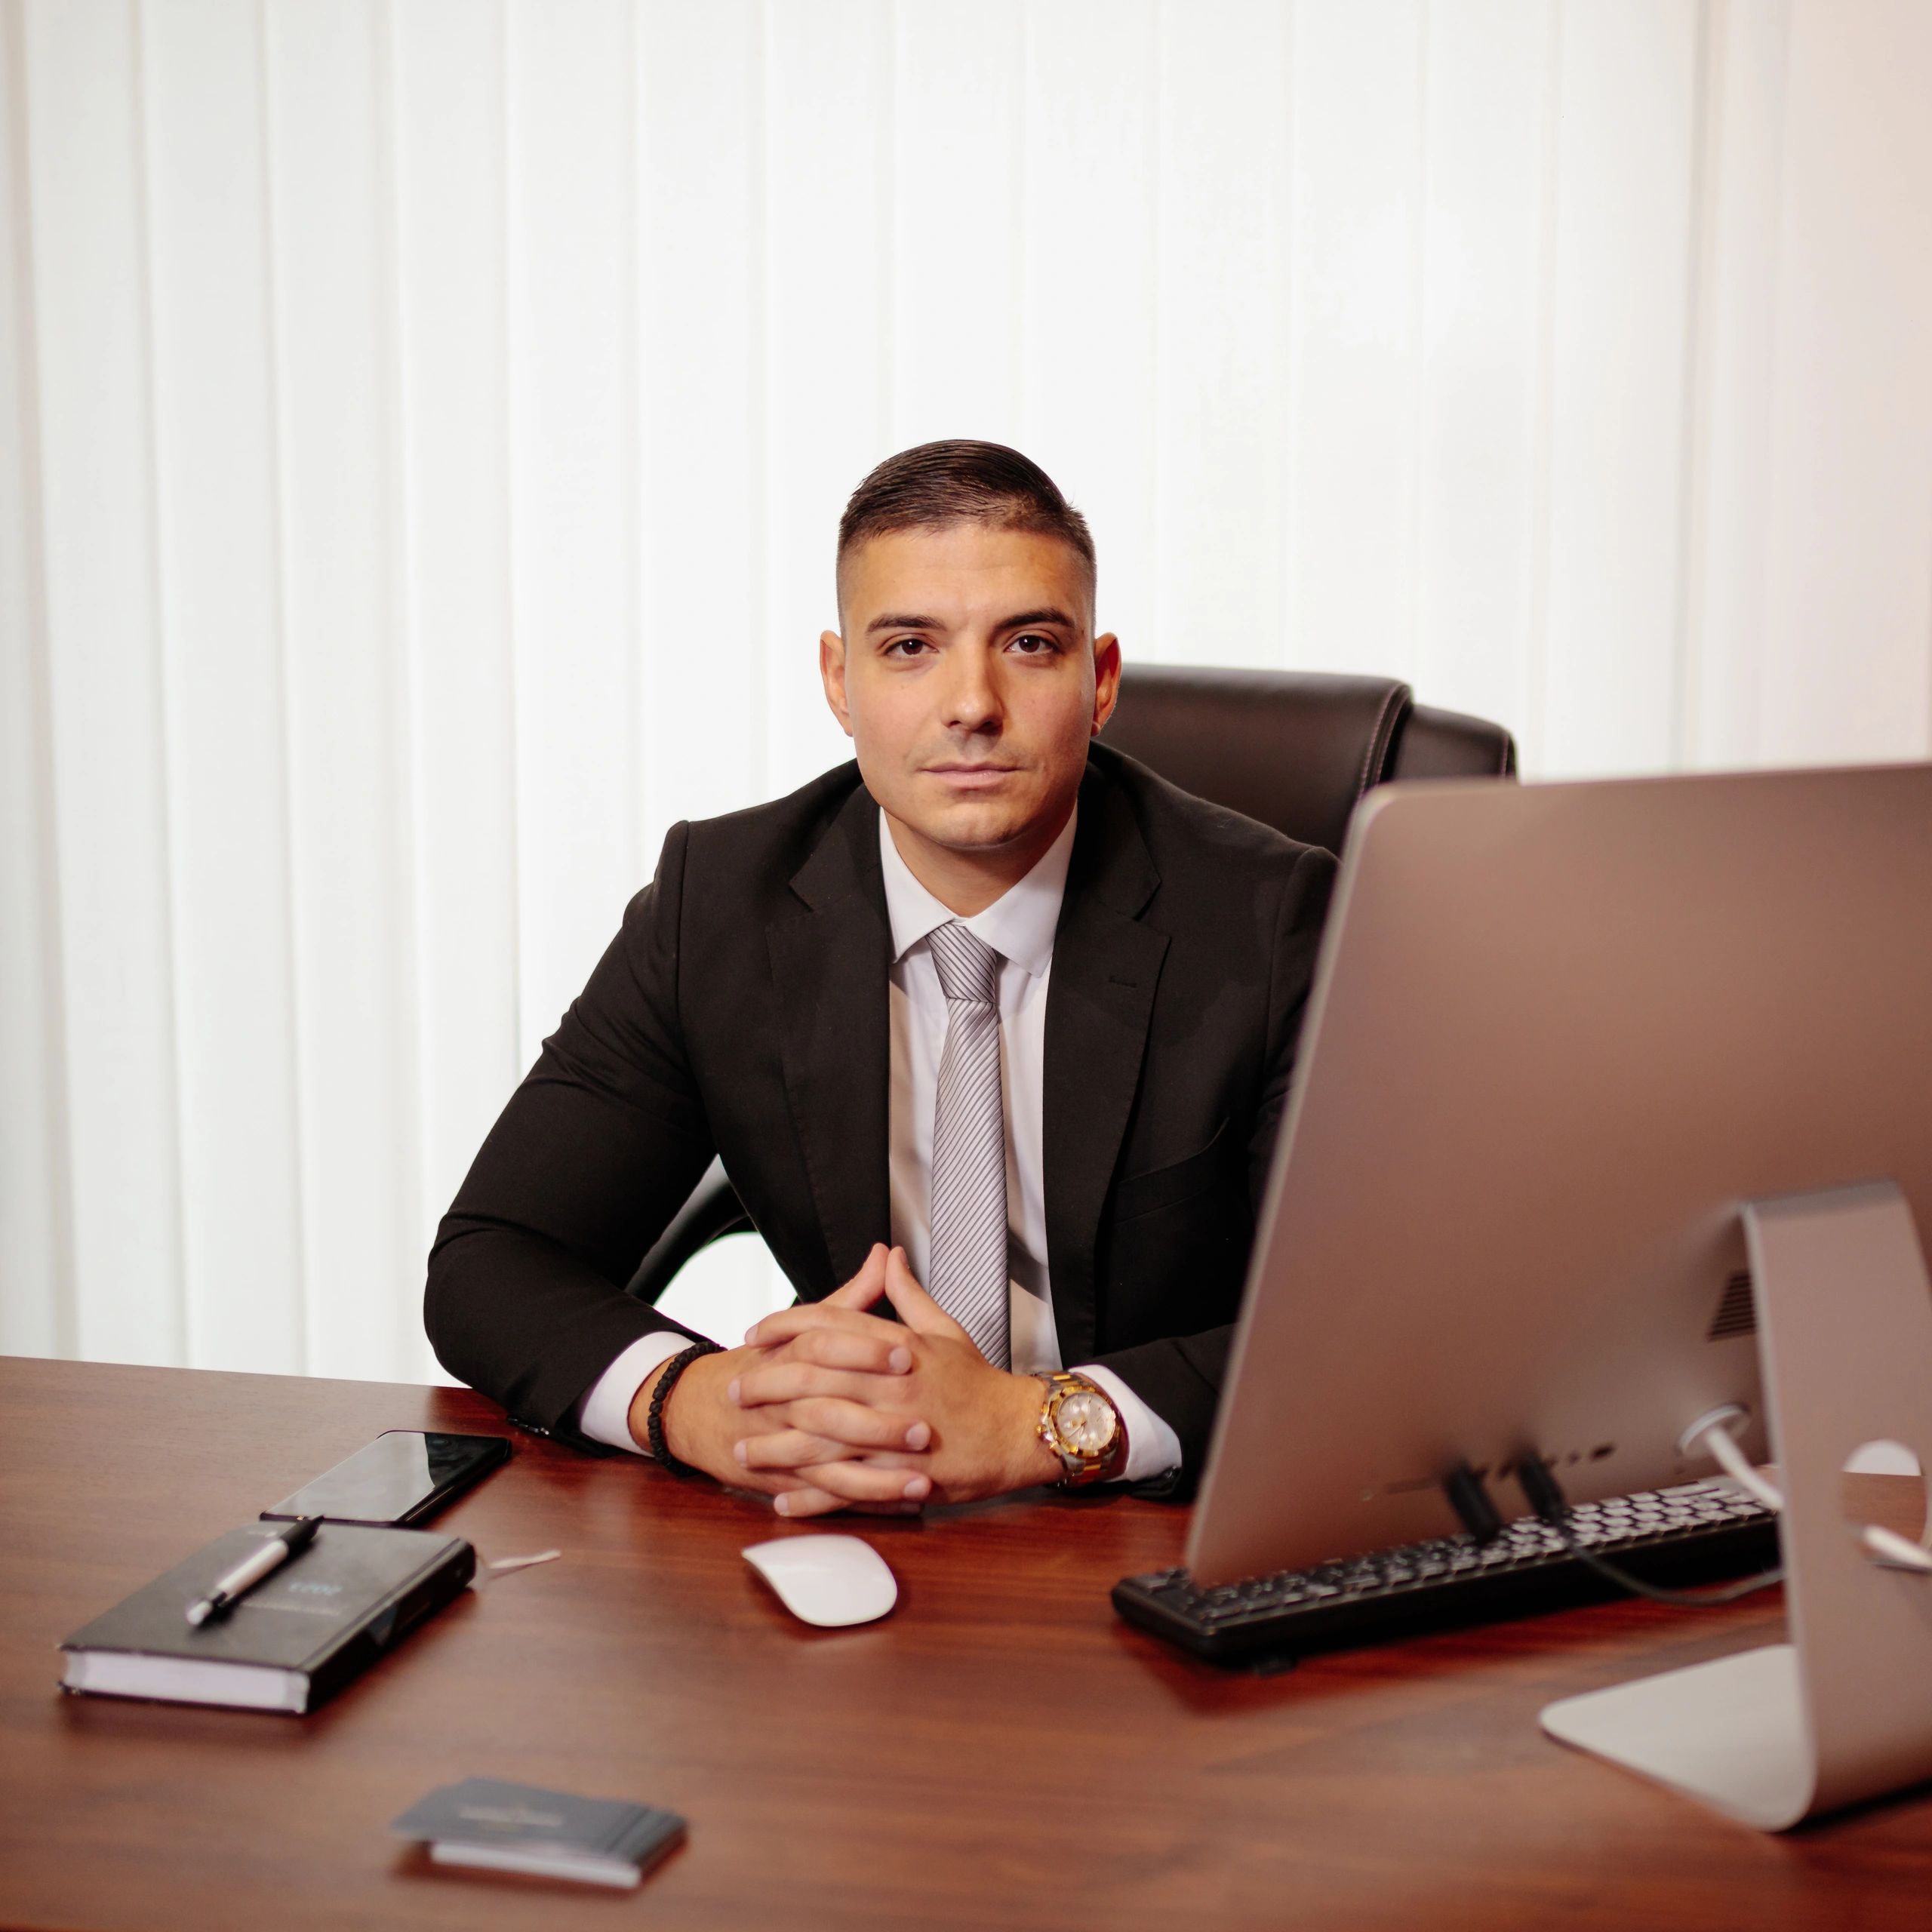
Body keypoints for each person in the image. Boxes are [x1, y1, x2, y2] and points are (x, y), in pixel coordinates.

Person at [426, 441, 1335, 1516]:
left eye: (1029, 644)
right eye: (910, 646)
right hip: (855, 1517)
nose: (971, 704)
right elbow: (494, 1258)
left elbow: (1373, 1315)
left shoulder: (1274, 921)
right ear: (838, 682)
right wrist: (701, 1400)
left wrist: (1039, 1425)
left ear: (1098, 683)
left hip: (1155, 1527)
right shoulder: (720, 905)